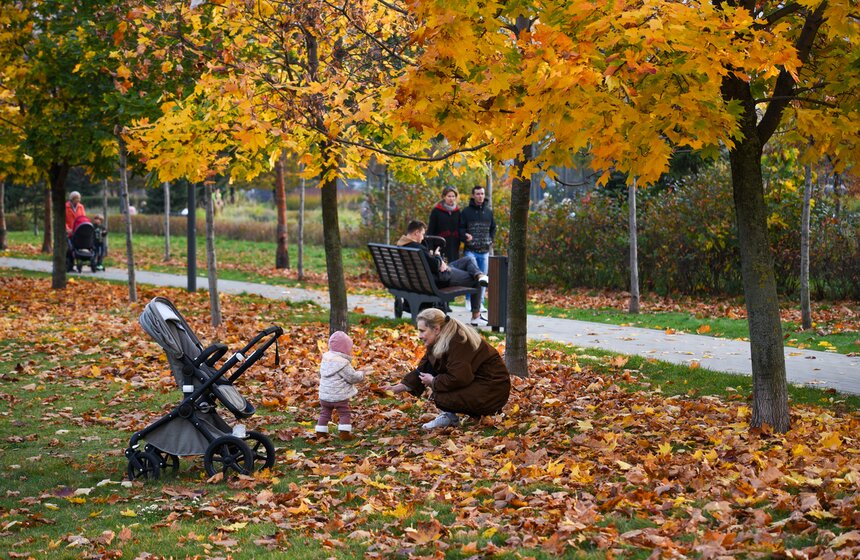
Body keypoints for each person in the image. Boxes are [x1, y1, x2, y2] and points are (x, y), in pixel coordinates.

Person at [385, 308, 510, 430]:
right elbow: (424, 367)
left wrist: (433, 381)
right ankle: (451, 416)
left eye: (422, 331)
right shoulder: (440, 338)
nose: (420, 336)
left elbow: (459, 377)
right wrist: (398, 388)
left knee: (440, 396)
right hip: (481, 384)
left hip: (492, 390)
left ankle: (452, 417)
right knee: (435, 378)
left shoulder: (458, 341)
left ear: (436, 329)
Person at [397, 220, 489, 326]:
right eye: (422, 234)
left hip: (426, 278)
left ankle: (479, 274)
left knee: (468, 260)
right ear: (416, 233)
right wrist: (437, 256)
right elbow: (435, 265)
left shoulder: (402, 246)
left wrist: (438, 261)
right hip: (440, 278)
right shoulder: (417, 248)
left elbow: (430, 264)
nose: (423, 237)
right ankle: (476, 316)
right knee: (476, 280)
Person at [315, 331, 366, 441]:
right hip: (339, 396)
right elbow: (352, 377)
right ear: (346, 348)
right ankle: (344, 434)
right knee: (344, 413)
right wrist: (362, 374)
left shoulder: (325, 359)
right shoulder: (343, 363)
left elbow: (320, 373)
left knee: (324, 413)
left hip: (324, 396)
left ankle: (320, 434)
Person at [458, 185, 496, 315]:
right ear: (473, 195)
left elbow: (493, 228)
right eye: (478, 194)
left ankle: (480, 303)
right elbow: (460, 229)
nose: (480, 196)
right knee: (472, 276)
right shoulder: (466, 212)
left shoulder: (488, 211)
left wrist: (491, 239)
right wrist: (465, 236)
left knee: (483, 278)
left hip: (484, 250)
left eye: (482, 194)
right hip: (471, 250)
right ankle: (469, 301)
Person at [427, 186, 461, 263]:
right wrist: (430, 247)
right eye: (449, 196)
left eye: (453, 196)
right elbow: (431, 230)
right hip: (440, 245)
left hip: (454, 246)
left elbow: (460, 228)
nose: (451, 198)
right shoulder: (436, 211)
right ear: (444, 197)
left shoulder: (457, 212)